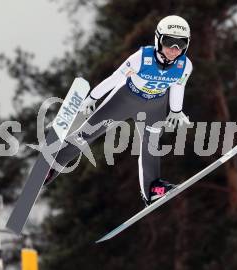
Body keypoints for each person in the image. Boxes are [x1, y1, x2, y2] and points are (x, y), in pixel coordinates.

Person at [45, 15, 193, 206]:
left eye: (180, 44)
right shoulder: (142, 58)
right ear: (158, 40)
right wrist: (93, 97)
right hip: (127, 98)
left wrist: (175, 111)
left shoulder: (184, 65)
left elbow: (178, 87)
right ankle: (55, 162)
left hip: (155, 105)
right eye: (169, 42)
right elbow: (115, 78)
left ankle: (152, 189)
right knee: (89, 132)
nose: (174, 49)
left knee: (152, 144)